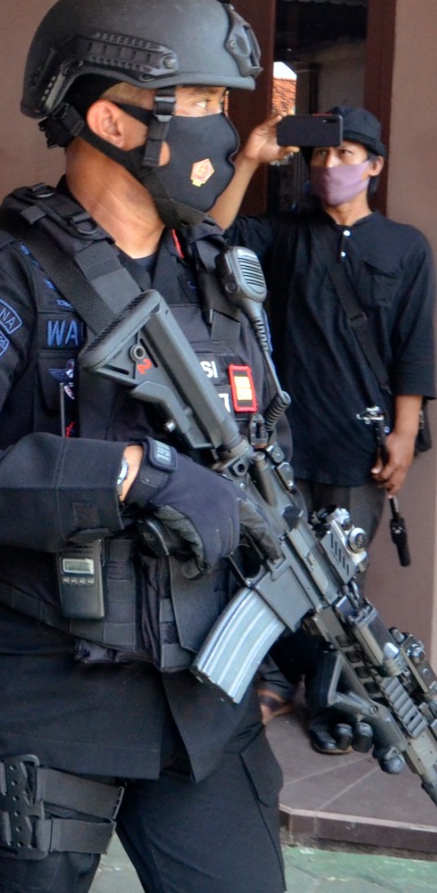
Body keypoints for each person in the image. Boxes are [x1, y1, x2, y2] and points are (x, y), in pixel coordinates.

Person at [0, 0, 287, 892]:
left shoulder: (224, 276)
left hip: (203, 702)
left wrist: (313, 642)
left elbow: (268, 471)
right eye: (207, 103)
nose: (226, 131)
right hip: (44, 689)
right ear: (112, 120)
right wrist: (132, 475)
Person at [211, 106, 436, 748]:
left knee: (342, 579)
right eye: (319, 156)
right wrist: (251, 158)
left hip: (360, 441)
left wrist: (404, 435)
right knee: (276, 564)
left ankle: (336, 696)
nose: (329, 167)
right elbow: (208, 234)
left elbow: (415, 347)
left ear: (375, 167)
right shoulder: (283, 233)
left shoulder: (405, 246)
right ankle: (277, 680)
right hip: (280, 440)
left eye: (344, 156)